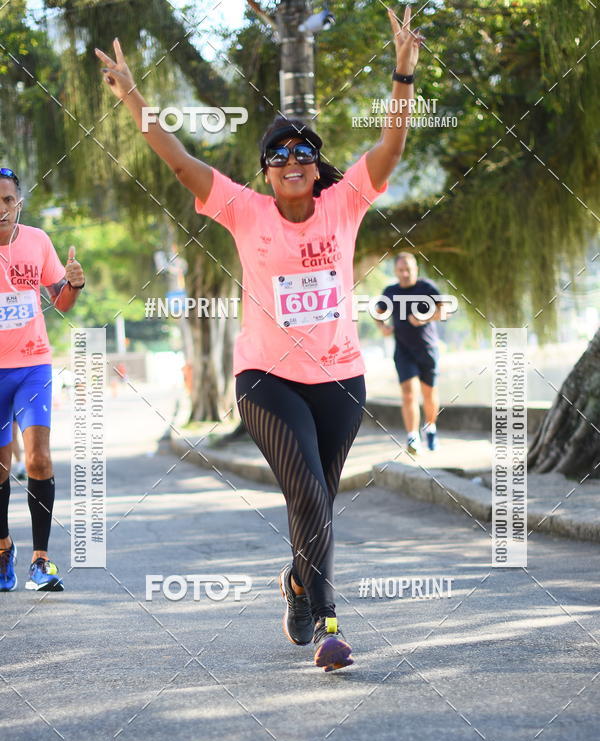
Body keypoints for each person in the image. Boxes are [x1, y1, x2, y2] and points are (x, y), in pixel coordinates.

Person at [96, 5, 423, 671]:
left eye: (305, 150)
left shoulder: (345, 202)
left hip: (341, 379)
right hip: (267, 382)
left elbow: (390, 148)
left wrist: (402, 73)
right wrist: (134, 98)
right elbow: (180, 160)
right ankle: (331, 622)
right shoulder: (245, 210)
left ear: (316, 165)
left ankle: (300, 583)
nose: (294, 159)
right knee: (305, 494)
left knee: (320, 503)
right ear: (267, 171)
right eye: (280, 154)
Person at [0, 167, 85, 591]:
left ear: (18, 203)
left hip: (33, 365)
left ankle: (40, 560)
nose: (1, 209)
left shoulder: (37, 241)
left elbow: (62, 303)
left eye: (7, 200)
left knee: (38, 458)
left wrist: (74, 284)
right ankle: (2, 551)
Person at [376, 252, 448, 454]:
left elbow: (444, 310)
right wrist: (382, 327)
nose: (405, 273)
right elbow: (378, 312)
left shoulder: (426, 288)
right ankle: (412, 437)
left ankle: (430, 428)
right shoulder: (390, 291)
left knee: (429, 394)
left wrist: (425, 318)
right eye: (400, 270)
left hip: (428, 349)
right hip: (403, 350)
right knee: (408, 394)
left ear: (416, 269)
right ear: (396, 271)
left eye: (408, 269)